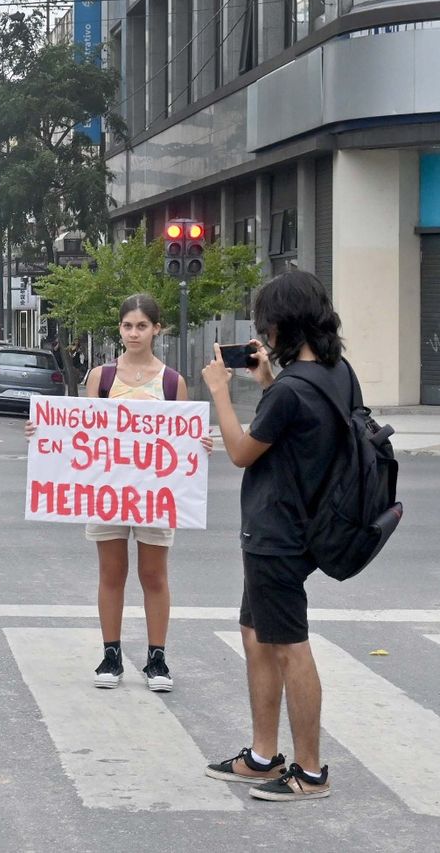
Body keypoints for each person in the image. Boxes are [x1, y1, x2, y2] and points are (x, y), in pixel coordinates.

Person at [201, 271, 347, 801]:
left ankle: (310, 772)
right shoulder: (334, 373)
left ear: (285, 325)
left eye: (268, 325)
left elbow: (242, 452)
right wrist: (265, 383)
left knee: (288, 647)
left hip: (278, 530)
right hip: (302, 521)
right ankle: (263, 756)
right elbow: (299, 434)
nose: (264, 334)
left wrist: (220, 392)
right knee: (256, 636)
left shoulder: (291, 390)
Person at [26, 294, 210, 692]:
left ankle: (156, 658)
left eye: (142, 325)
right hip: (107, 493)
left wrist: (200, 443)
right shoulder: (101, 378)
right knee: (111, 572)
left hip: (156, 495)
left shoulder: (172, 382)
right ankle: (111, 655)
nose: (134, 333)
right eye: (128, 325)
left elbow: (185, 437)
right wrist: (44, 433)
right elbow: (80, 433)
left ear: (157, 329)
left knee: (153, 574)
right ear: (120, 328)